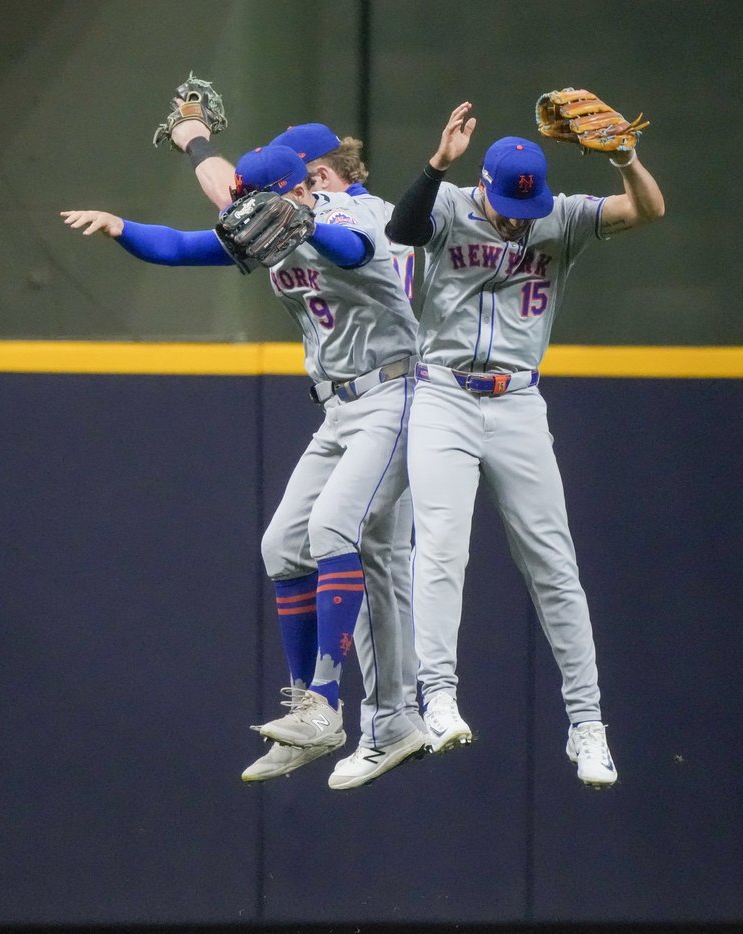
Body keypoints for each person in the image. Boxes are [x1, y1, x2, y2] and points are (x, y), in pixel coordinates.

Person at [62, 142, 427, 790]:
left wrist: (306, 222)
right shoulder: (272, 224)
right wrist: (121, 229)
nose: (249, 214)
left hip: (395, 394)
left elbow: (351, 252)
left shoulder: (356, 216)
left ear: (305, 185)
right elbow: (177, 248)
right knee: (282, 546)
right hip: (339, 408)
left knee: (336, 530)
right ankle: (306, 714)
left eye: (263, 201)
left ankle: (327, 702)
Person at [384, 101, 666, 787]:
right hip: (445, 393)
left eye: (527, 205)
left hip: (516, 401)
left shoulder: (558, 216)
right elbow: (403, 226)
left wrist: (627, 158)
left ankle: (589, 724)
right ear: (484, 184)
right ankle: (439, 697)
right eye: (510, 203)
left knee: (554, 565)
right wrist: (435, 164)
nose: (519, 216)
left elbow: (648, 211)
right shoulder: (449, 203)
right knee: (442, 547)